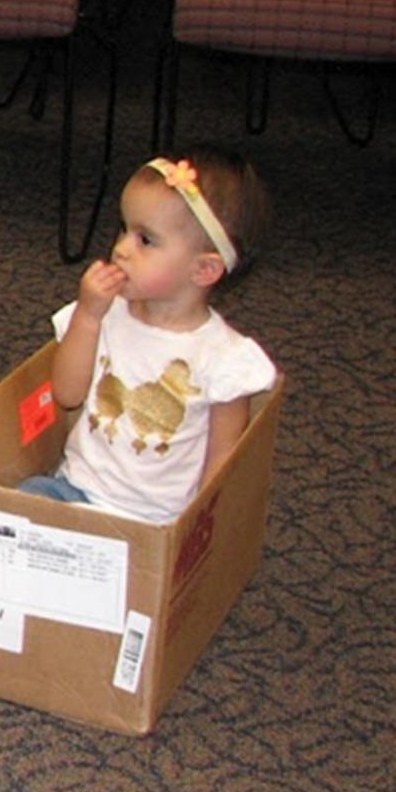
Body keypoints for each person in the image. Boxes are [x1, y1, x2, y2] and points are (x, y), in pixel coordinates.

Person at [19, 151, 277, 522]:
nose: (121, 248)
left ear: (204, 269)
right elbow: (67, 393)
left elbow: (222, 460)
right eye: (124, 229)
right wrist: (88, 316)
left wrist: (194, 528)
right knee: (19, 503)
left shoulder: (222, 357)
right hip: (76, 490)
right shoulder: (107, 312)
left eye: (146, 240)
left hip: (156, 521)